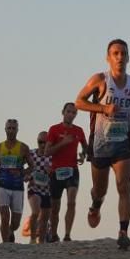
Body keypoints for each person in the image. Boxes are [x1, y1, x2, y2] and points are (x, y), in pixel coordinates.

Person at [75, 39, 130, 250]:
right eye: (115, 53)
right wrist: (102, 109)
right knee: (100, 190)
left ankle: (123, 231)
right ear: (108, 58)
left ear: (128, 58)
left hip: (123, 143)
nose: (120, 57)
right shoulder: (100, 80)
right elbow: (78, 102)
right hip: (100, 144)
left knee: (124, 185)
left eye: (123, 54)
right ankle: (96, 205)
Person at [0, 119, 34, 243]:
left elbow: (32, 167)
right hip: (2, 186)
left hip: (17, 187)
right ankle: (5, 244)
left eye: (13, 128)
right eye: (9, 128)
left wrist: (22, 173)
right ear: (5, 129)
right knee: (4, 216)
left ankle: (11, 230)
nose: (11, 131)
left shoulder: (23, 147)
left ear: (17, 130)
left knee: (16, 222)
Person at [45, 103, 89, 242]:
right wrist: (63, 143)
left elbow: (86, 148)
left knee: (71, 201)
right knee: (55, 207)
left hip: (72, 170)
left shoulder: (79, 131)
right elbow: (47, 152)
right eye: (68, 111)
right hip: (56, 171)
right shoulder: (54, 129)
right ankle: (53, 234)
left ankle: (67, 235)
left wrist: (83, 155)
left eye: (74, 113)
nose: (71, 114)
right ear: (63, 112)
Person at [25, 131, 53, 244]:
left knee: (45, 219)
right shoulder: (31, 154)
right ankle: (32, 239)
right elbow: (20, 165)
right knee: (35, 211)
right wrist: (25, 175)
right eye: (40, 142)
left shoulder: (52, 157)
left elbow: (57, 174)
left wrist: (50, 171)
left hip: (47, 191)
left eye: (45, 142)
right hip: (34, 189)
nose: (42, 145)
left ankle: (41, 242)